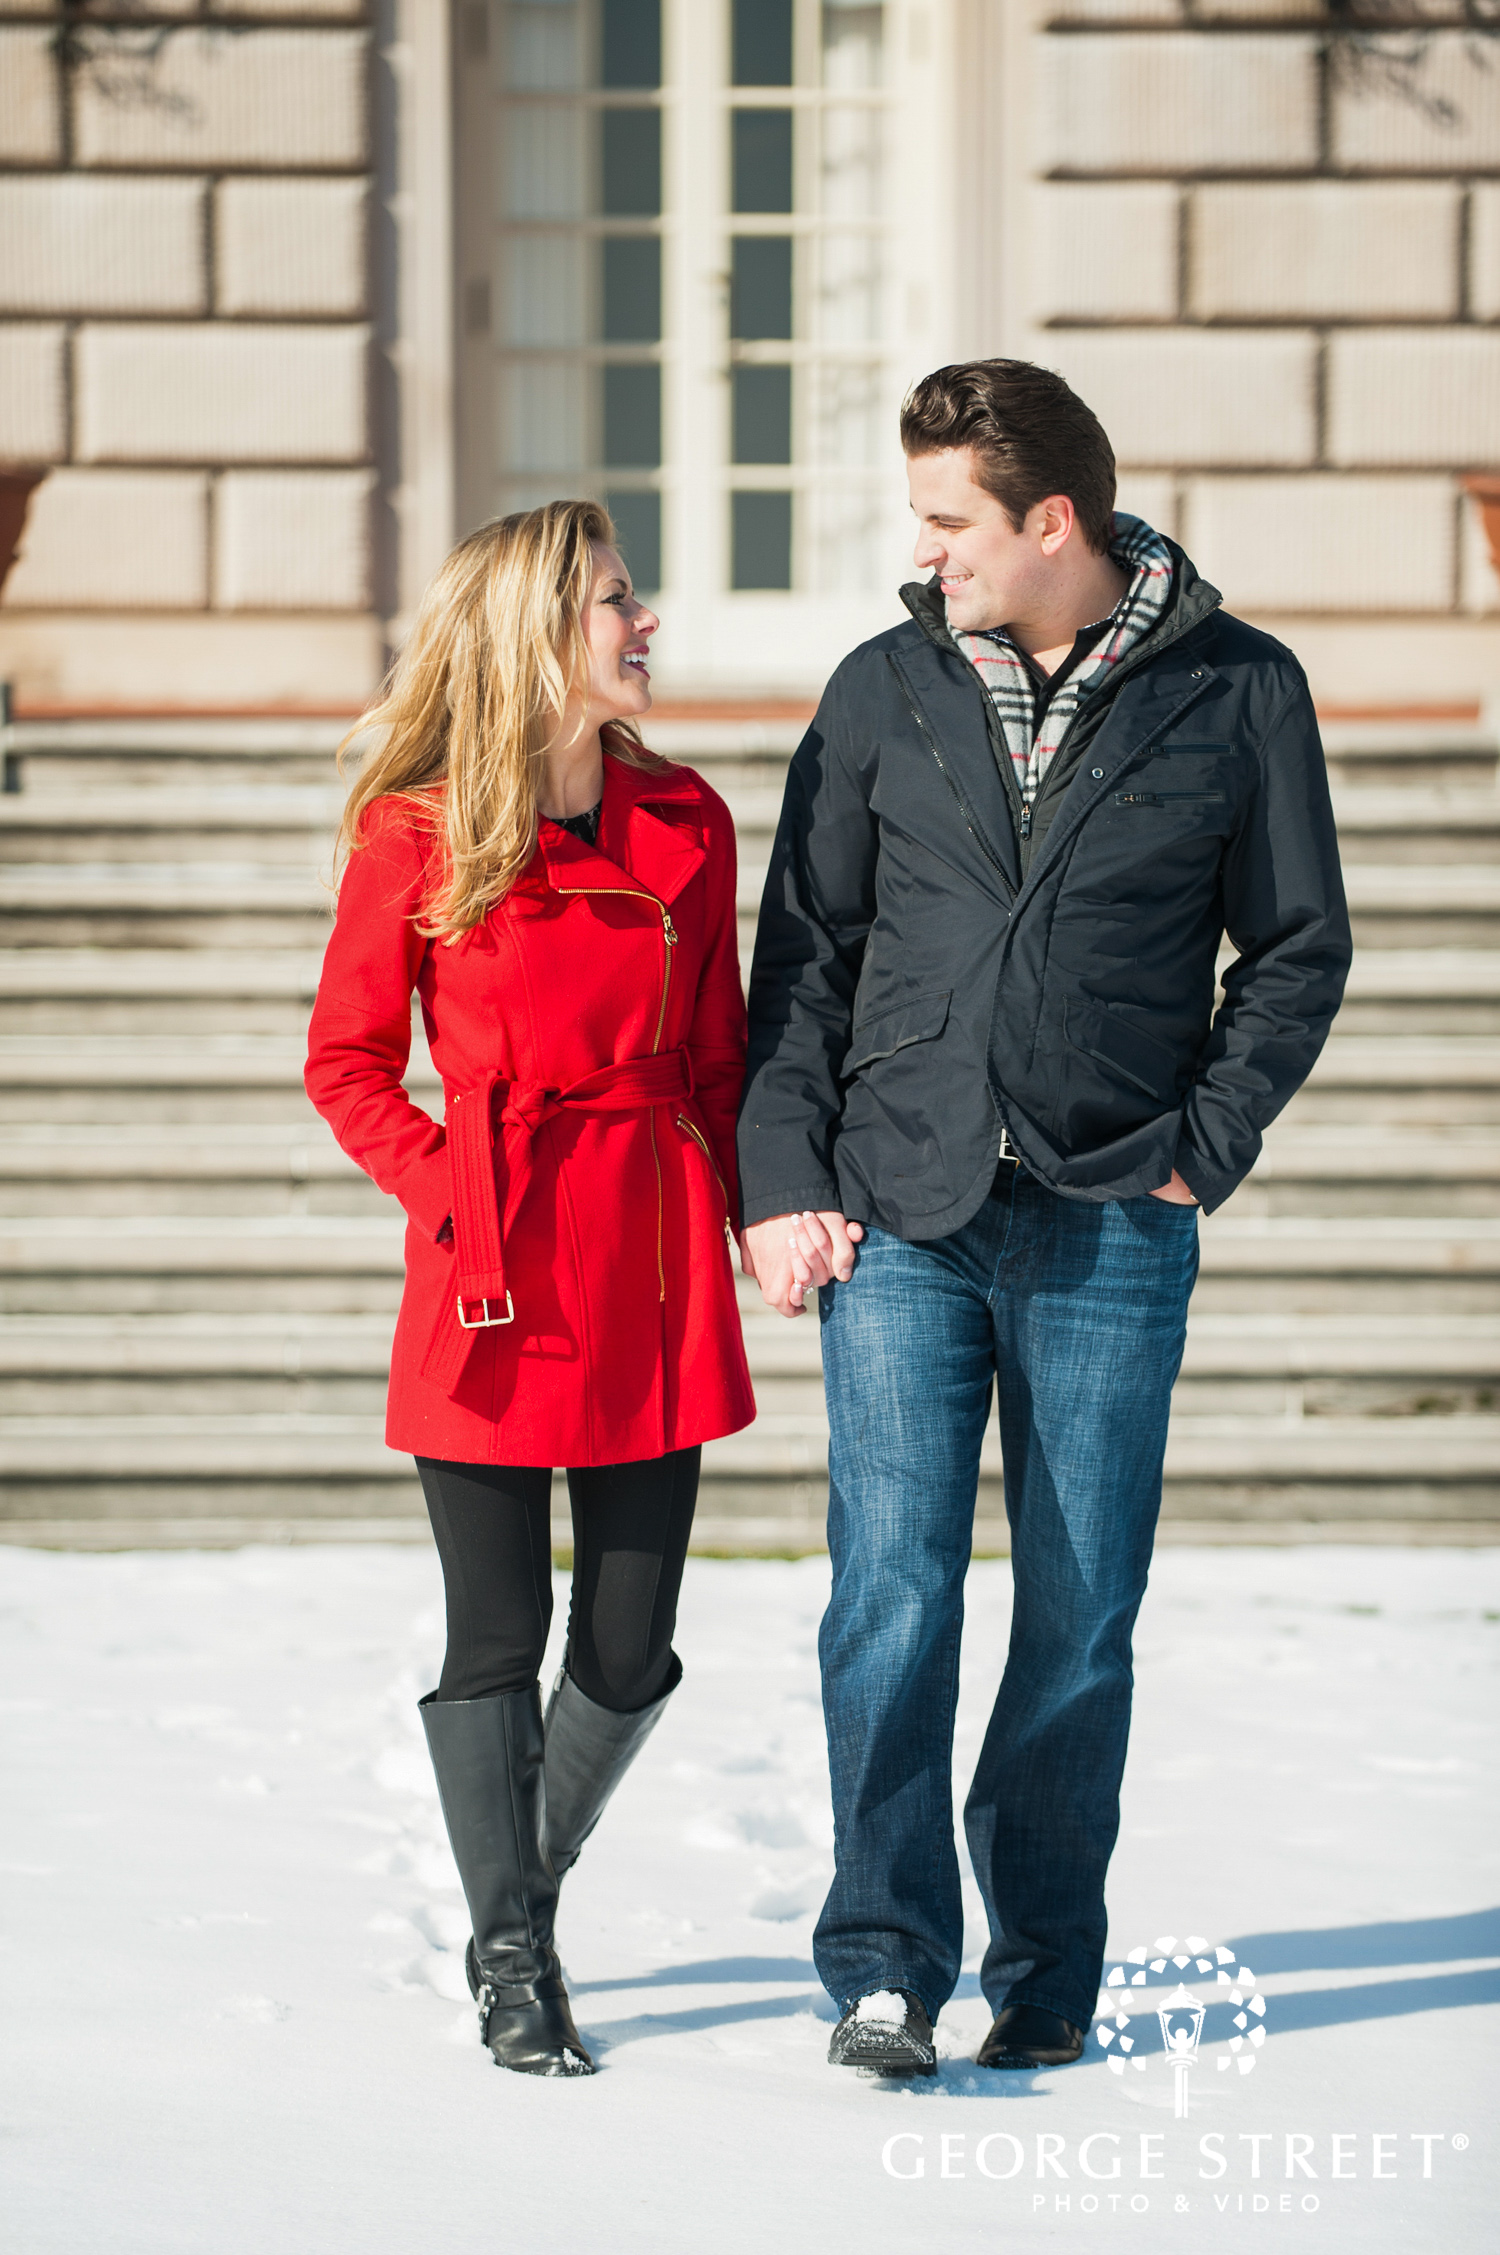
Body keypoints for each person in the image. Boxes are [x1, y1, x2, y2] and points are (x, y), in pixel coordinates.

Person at [737, 361, 1351, 2078]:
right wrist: (783, 1178)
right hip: (904, 1210)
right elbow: (803, 957)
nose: (924, 550)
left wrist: (1203, 1144)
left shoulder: (1240, 689)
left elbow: (1297, 946)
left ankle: (1046, 1970)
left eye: (952, 521)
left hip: (1111, 1216)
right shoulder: (881, 689)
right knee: (892, 1593)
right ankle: (883, 1963)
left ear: (1052, 521)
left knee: (1079, 1614)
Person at [306, 500, 754, 2078]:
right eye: (617, 600)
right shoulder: (417, 833)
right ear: (536, 636)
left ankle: (521, 1887)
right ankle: (514, 1955)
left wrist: (761, 1213)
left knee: (629, 1645)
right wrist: (453, 1193)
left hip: (650, 1258)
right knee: (496, 1633)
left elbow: (720, 1056)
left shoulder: (688, 820)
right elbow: (348, 1064)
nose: (646, 622)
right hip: (492, 1270)